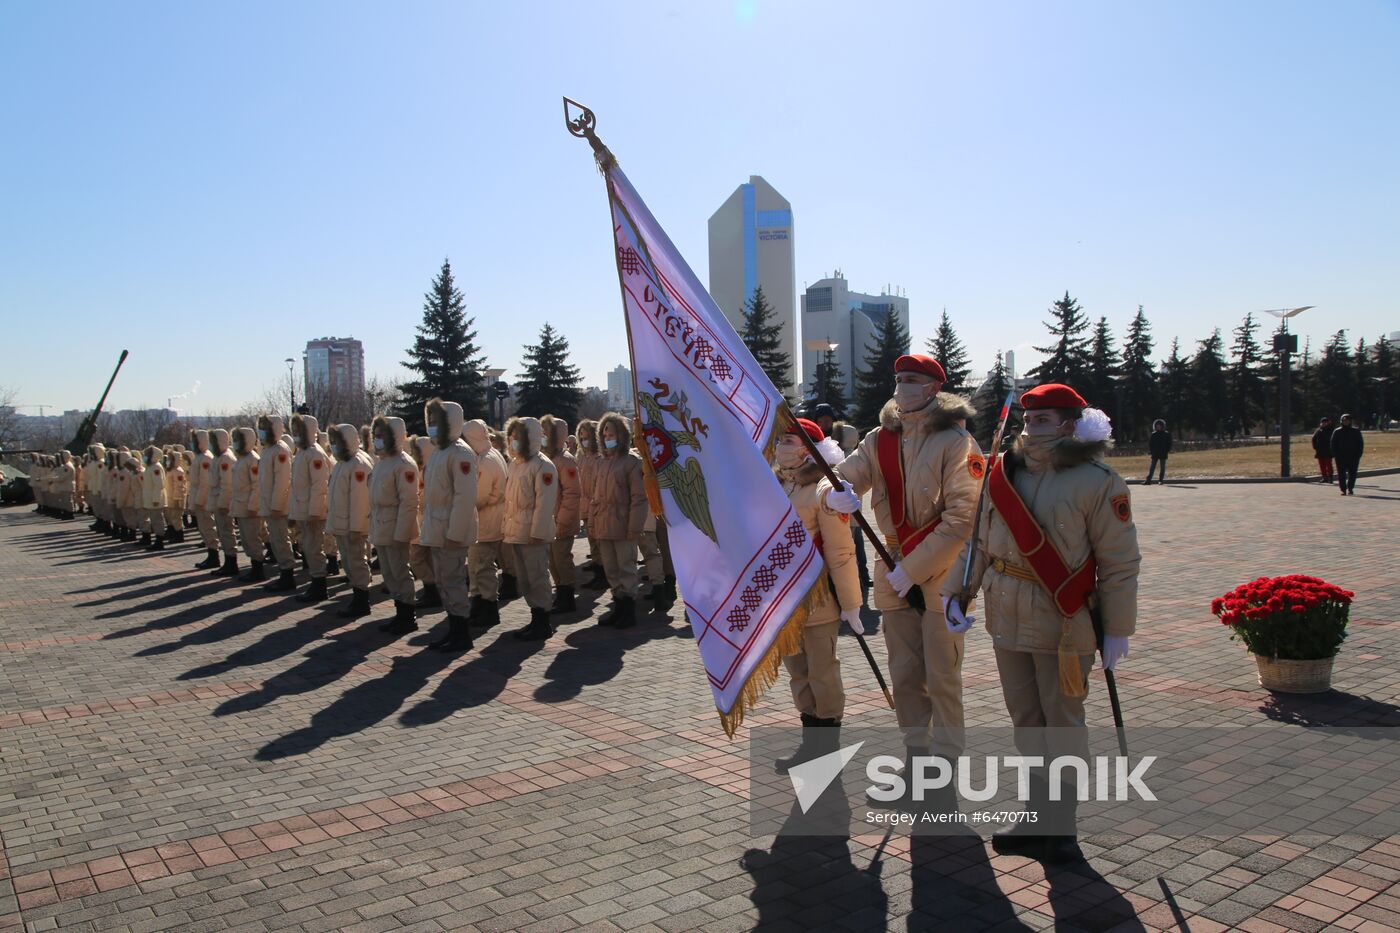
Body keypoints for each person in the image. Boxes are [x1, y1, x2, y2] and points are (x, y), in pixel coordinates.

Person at [942, 383, 1140, 863]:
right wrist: (956, 593)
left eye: (1045, 419)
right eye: (1028, 418)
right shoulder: (1001, 474)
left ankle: (1062, 827)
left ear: (1072, 423)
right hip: (1006, 615)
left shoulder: (1098, 481)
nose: (1032, 426)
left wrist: (1118, 628)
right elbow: (978, 543)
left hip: (1065, 620)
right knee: (1027, 722)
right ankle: (1036, 817)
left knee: (1063, 723)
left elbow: (1119, 561)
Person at [818, 354, 982, 811]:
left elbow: (963, 518)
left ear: (933, 389)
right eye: (898, 379)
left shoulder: (956, 441)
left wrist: (915, 569)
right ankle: (917, 763)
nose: (901, 387)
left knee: (942, 675)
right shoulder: (879, 439)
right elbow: (839, 478)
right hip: (892, 562)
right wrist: (833, 496)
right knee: (906, 674)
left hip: (942, 573)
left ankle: (945, 775)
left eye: (911, 380)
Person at [773, 418, 863, 774]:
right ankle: (811, 744)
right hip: (785, 601)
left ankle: (827, 751)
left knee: (822, 673)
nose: (782, 445)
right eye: (780, 439)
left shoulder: (825, 489)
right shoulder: (778, 484)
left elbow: (841, 551)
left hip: (818, 599)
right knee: (798, 672)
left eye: (789, 439)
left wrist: (852, 603)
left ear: (808, 449)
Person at [419, 399, 479, 652]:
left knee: (453, 582)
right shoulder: (439, 452)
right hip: (437, 528)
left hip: (451, 532)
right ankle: (453, 629)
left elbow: (464, 499)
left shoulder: (461, 453)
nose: (432, 426)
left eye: (437, 421)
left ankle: (462, 633)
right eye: (430, 421)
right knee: (443, 581)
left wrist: (454, 533)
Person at [587, 412, 647, 630]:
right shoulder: (601, 463)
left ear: (621, 435)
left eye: (611, 433)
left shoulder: (631, 462)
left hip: (623, 525)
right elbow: (595, 497)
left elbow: (639, 498)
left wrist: (634, 527)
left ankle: (628, 610)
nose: (606, 437)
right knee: (611, 569)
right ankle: (618, 606)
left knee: (626, 568)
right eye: (604, 433)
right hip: (604, 525)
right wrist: (592, 523)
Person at [504, 416, 560, 641]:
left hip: (533, 534)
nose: (515, 440)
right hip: (517, 531)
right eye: (513, 436)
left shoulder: (543, 465)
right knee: (525, 579)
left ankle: (543, 621)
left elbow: (544, 504)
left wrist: (536, 533)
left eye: (519, 436)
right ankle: (535, 616)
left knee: (537, 577)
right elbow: (509, 502)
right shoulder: (516, 464)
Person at [369, 416, 421, 635]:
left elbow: (409, 502)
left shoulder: (404, 464)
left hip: (395, 526)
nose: (377, 440)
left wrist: (402, 533)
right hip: (381, 524)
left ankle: (408, 615)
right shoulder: (382, 463)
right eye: (376, 435)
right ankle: (399, 611)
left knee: (400, 571)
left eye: (382, 436)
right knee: (389, 573)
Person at [327, 424, 374, 619]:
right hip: (342, 523)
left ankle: (362, 599)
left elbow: (360, 501)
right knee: (348, 561)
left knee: (356, 561)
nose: (333, 445)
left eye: (337, 441)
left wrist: (357, 527)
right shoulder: (341, 463)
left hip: (352, 525)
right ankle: (357, 596)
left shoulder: (358, 464)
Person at [463, 419, 507, 630]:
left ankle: (488, 606)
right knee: (475, 565)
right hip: (485, 520)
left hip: (486, 520)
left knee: (483, 566)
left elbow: (479, 495)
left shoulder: (486, 461)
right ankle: (479, 603)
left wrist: (461, 503)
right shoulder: (488, 455)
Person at [541, 415, 582, 615]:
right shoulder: (547, 459)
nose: (543, 437)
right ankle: (561, 592)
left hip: (561, 521)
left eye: (547, 433)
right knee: (552, 560)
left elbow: (572, 493)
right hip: (549, 521)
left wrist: (562, 520)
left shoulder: (565, 460)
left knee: (561, 558)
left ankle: (567, 596)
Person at [288, 414, 331, 602]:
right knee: (309, 546)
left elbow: (319, 485)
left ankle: (319, 584)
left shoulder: (314, 453)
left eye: (300, 430)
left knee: (314, 547)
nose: (296, 434)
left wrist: (314, 510)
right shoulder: (302, 453)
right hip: (303, 509)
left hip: (312, 511)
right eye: (294, 430)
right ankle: (316, 580)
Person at [256, 415, 297, 590]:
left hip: (277, 506)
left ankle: (287, 574)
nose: (262, 431)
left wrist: (275, 505)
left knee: (281, 539)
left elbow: (282, 481)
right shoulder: (268, 450)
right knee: (276, 539)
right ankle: (283, 571)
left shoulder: (280, 450)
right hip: (269, 503)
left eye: (266, 427)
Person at [832, 422, 870, 590]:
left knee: (851, 549)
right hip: (855, 511)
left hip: (846, 512)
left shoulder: (841, 457)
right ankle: (863, 576)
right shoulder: (854, 455)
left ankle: (857, 579)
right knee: (857, 548)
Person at [407, 435, 441, 610]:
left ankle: (432, 588)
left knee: (417, 559)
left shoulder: (431, 472)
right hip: (421, 522)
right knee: (422, 559)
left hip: (426, 522)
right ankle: (432, 589)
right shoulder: (420, 469)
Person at [229, 428, 264, 581]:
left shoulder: (252, 459)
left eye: (238, 439)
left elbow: (257, 485)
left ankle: (258, 568)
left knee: (252, 538)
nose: (235, 443)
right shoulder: (241, 459)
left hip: (249, 508)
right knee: (246, 538)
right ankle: (253, 566)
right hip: (241, 505)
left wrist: (252, 506)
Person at [189, 430, 220, 569]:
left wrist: (199, 501)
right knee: (203, 528)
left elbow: (204, 482)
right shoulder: (199, 457)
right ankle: (211, 554)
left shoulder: (205, 458)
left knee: (208, 527)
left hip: (204, 499)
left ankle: (214, 556)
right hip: (199, 497)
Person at [140, 445, 168, 550]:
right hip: (150, 499)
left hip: (155, 499)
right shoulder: (150, 467)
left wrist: (156, 499)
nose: (145, 457)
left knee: (157, 520)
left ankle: (159, 541)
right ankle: (157, 539)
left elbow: (159, 484)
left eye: (147, 455)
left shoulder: (156, 467)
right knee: (154, 520)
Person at [1331, 413, 1364, 496]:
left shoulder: (1356, 431)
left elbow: (1360, 444)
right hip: (1340, 457)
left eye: (1348, 420)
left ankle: (1350, 488)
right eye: (1344, 420)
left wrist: (1358, 454)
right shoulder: (1337, 431)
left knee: (1352, 474)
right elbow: (1333, 444)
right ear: (1341, 421)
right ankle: (1343, 489)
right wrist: (1336, 455)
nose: (1346, 422)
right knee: (1341, 474)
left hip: (1353, 457)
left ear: (1350, 421)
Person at [1146, 419, 1171, 485]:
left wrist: (1167, 450)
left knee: (1162, 468)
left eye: (1159, 426)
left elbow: (1169, 443)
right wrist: (1151, 451)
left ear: (1162, 426)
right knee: (1152, 467)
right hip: (1155, 453)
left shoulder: (1166, 434)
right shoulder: (1153, 435)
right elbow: (1150, 444)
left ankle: (1160, 480)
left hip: (1163, 453)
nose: (1158, 427)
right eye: (1157, 426)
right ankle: (1148, 480)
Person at [1312, 417, 1335, 485]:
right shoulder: (1318, 430)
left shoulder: (1331, 430)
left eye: (1325, 422)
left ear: (1328, 423)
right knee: (1322, 465)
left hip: (1328, 451)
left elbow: (1332, 439)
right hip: (1320, 451)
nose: (1324, 423)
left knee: (1329, 464)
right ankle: (1324, 477)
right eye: (1322, 422)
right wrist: (1315, 447)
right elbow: (1314, 439)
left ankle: (1330, 478)